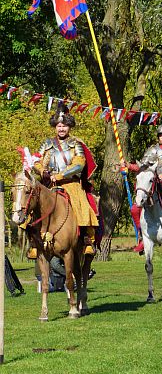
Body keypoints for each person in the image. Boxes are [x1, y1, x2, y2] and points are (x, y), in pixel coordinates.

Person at [30, 104, 99, 258]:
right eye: (59, 126)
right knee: (30, 204)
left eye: (64, 126)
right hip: (49, 183)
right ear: (55, 127)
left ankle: (87, 239)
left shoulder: (75, 144)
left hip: (70, 183)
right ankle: (33, 241)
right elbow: (36, 161)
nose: (61, 129)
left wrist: (60, 176)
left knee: (81, 205)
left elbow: (79, 164)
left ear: (69, 127)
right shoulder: (47, 143)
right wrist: (42, 171)